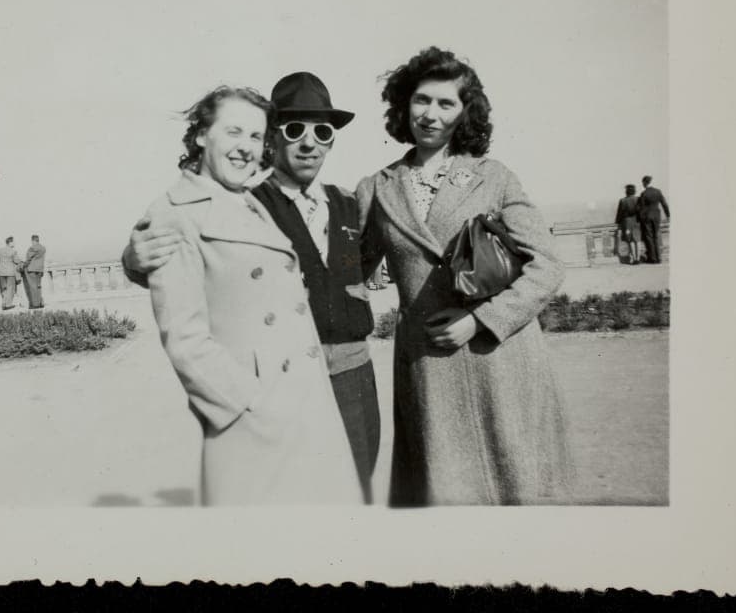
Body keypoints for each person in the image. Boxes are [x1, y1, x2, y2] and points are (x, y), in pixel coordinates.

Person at [125, 72, 381, 502]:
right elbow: (178, 252)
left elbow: (368, 262)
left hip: (350, 377)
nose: (309, 142)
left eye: (323, 131)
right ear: (274, 140)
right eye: (293, 129)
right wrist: (133, 258)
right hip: (276, 390)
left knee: (351, 504)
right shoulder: (250, 197)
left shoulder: (348, 203)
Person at [357, 47, 573, 505]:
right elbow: (350, 273)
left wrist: (480, 320)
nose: (430, 115)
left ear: (464, 112)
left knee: (518, 493)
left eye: (446, 103)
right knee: (445, 501)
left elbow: (547, 264)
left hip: (502, 358)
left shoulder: (494, 178)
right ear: (403, 105)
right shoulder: (375, 189)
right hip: (428, 368)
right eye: (421, 100)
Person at [637, 175, 670, 264]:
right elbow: (664, 204)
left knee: (649, 237)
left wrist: (641, 219)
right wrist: (668, 215)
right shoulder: (658, 191)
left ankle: (652, 258)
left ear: (644, 182)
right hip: (657, 216)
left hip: (647, 217)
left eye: (643, 183)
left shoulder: (644, 194)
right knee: (656, 236)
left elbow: (641, 209)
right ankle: (659, 258)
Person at [615, 184, 642, 265]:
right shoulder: (638, 199)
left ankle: (634, 259)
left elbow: (619, 214)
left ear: (626, 191)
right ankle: (638, 258)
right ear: (634, 191)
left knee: (631, 241)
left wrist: (618, 223)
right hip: (637, 221)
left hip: (627, 222)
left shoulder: (622, 200)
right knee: (638, 240)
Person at [0, 236, 22, 310]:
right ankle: (8, 304)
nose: (14, 243)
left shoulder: (0, 250)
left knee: (4, 289)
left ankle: (4, 303)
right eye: (13, 242)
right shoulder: (13, 251)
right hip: (10, 272)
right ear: (10, 242)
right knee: (10, 289)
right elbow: (17, 261)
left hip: (1, 272)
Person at [22, 235, 47, 309]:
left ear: (33, 241)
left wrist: (23, 265)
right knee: (38, 286)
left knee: (33, 287)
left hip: (32, 269)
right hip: (39, 269)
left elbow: (28, 259)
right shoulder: (43, 248)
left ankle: (35, 304)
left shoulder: (32, 248)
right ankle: (40, 302)